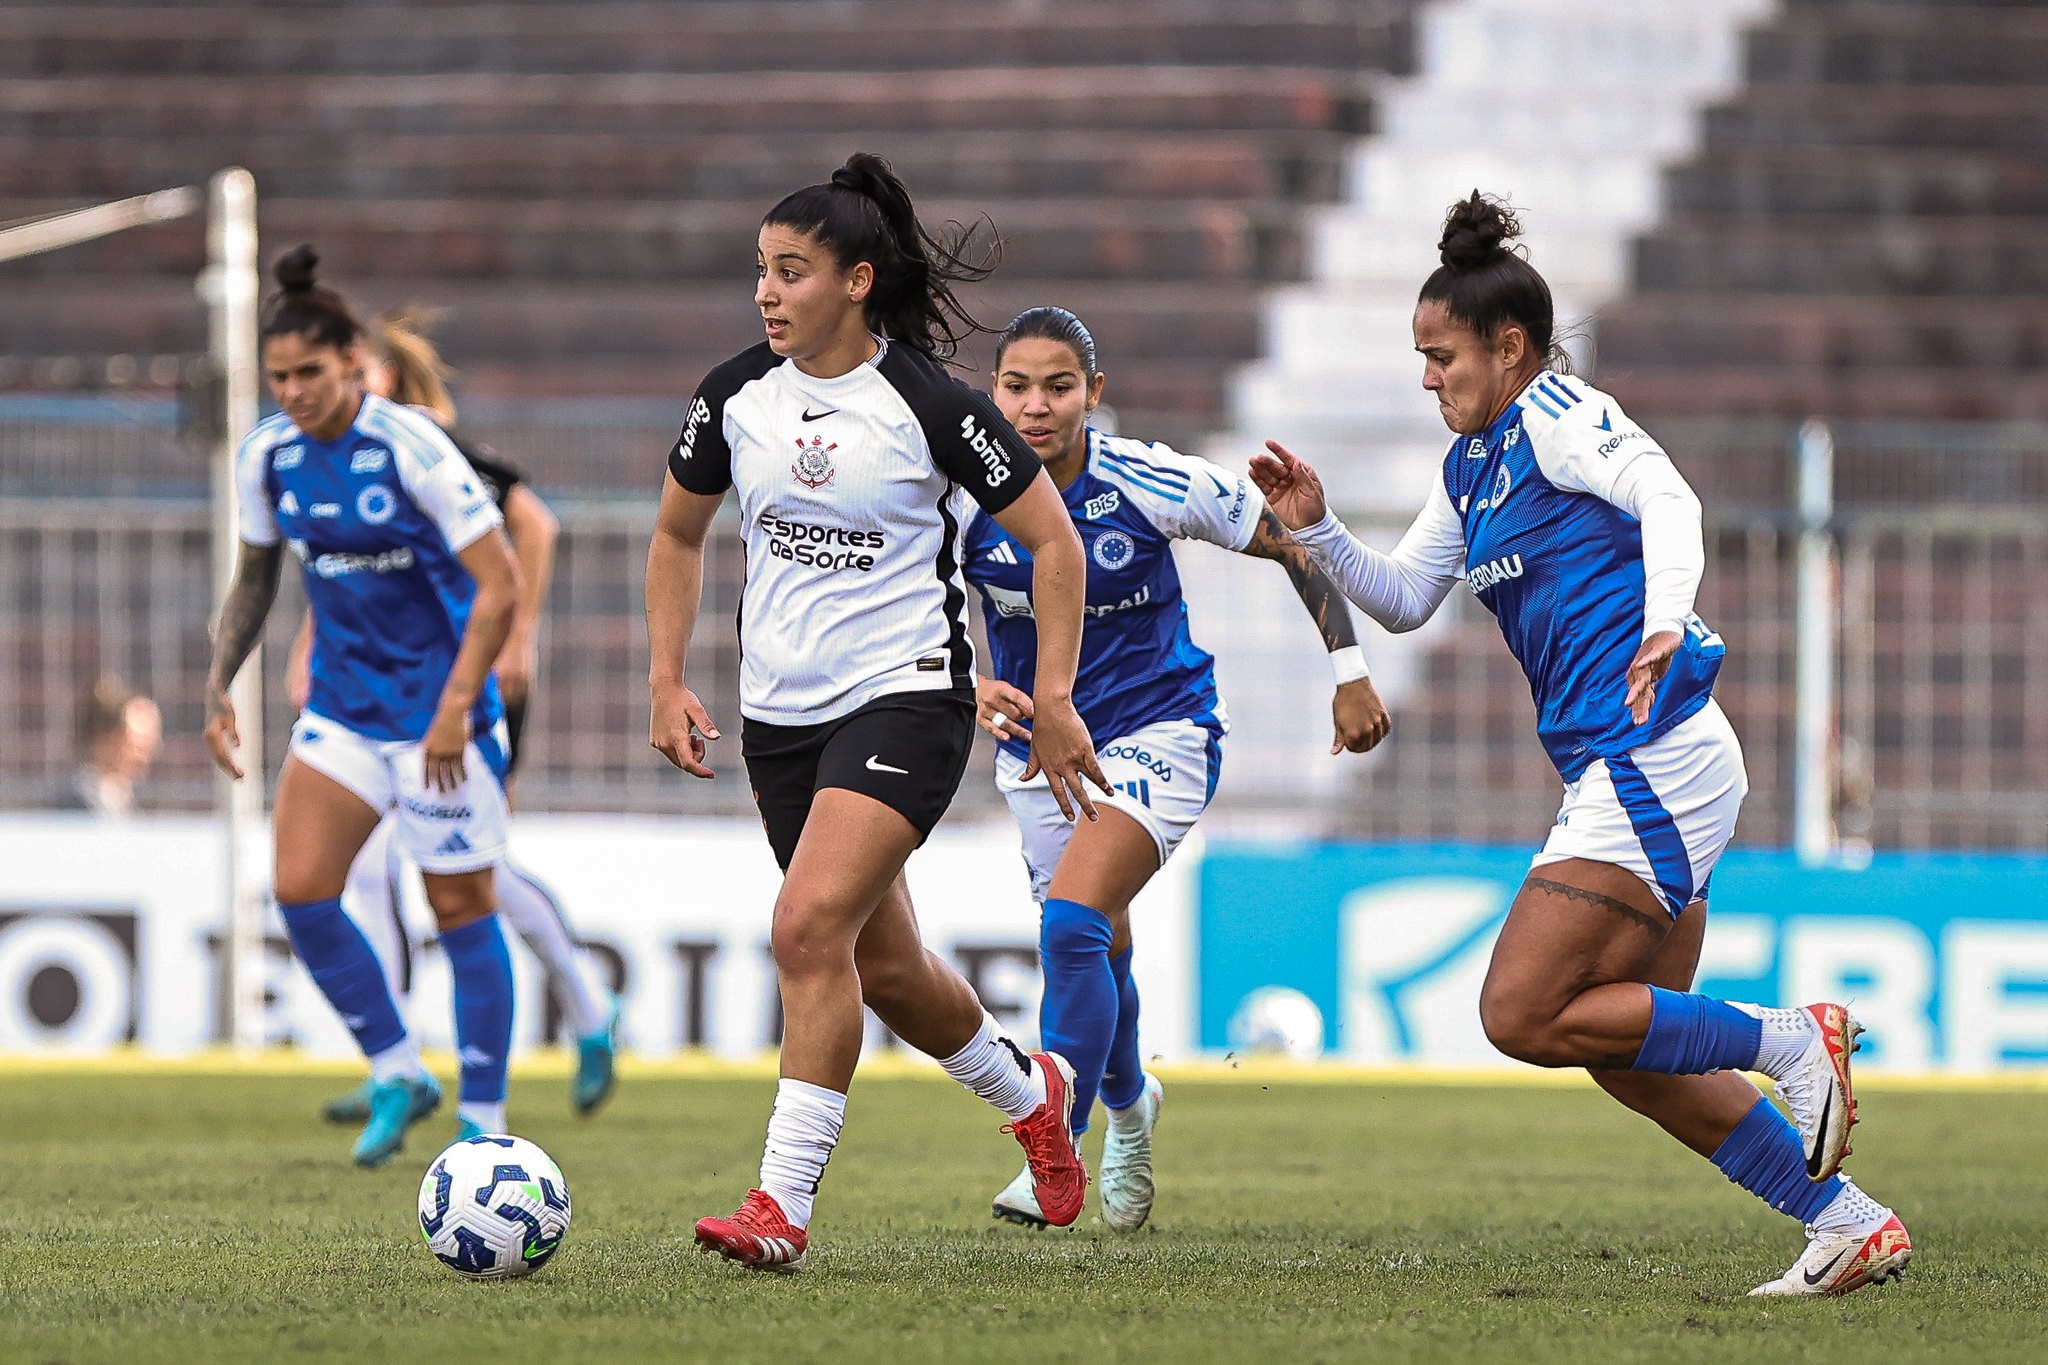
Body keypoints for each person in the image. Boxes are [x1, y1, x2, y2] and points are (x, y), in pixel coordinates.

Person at [1249, 193, 1911, 1298]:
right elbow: (1406, 598)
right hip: (1634, 762)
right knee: (1620, 1047)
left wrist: (1663, 617)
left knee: (1518, 1011)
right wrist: (1315, 528)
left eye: (1439, 356)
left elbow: (1665, 493)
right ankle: (1846, 1222)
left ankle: (1793, 1040)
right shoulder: (1470, 467)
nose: (1426, 378)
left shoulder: (1556, 410)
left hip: (1650, 751)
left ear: (1507, 348)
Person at [646, 153, 1113, 1273]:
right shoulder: (731, 398)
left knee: (806, 930)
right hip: (780, 719)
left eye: (790, 271)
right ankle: (1033, 1097)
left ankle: (781, 1208)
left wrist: (1050, 697)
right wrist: (664, 678)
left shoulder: (933, 406)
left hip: (905, 697)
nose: (765, 291)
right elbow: (675, 534)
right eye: (759, 269)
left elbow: (1055, 542)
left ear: (855, 282)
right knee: (889, 971)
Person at [964, 306, 1391, 1232]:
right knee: (1101, 945)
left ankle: (1057, 1144)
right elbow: (918, 603)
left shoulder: (1146, 479)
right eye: (1016, 386)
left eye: (1059, 386)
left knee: (1073, 925)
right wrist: (978, 681)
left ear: (1095, 393)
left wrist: (1349, 672)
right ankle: (1131, 1108)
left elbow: (1285, 538)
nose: (1036, 406)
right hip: (1038, 753)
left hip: (1161, 733)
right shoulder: (963, 489)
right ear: (992, 392)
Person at [204, 245, 523, 1166]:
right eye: (279, 377)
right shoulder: (268, 456)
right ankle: (396, 1067)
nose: (295, 391)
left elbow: (497, 587)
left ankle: (486, 1124)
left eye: (310, 372)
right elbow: (258, 574)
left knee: (461, 907)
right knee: (302, 890)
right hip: (346, 707)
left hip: (439, 713)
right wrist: (219, 680)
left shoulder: (412, 446)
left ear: (353, 361)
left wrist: (459, 706)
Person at [288, 308, 621, 1123]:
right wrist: (309, 646)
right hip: (371, 699)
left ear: (380, 378)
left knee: (476, 876)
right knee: (362, 872)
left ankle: (587, 1002)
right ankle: (394, 1061)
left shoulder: (422, 446)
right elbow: (346, 567)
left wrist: (521, 638)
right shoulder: (333, 459)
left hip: (465, 689)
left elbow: (533, 522)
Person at [51, 676, 161, 815]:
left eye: (149, 745)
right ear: (104, 740)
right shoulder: (75, 808)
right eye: (136, 747)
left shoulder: (120, 800)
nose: (144, 757)